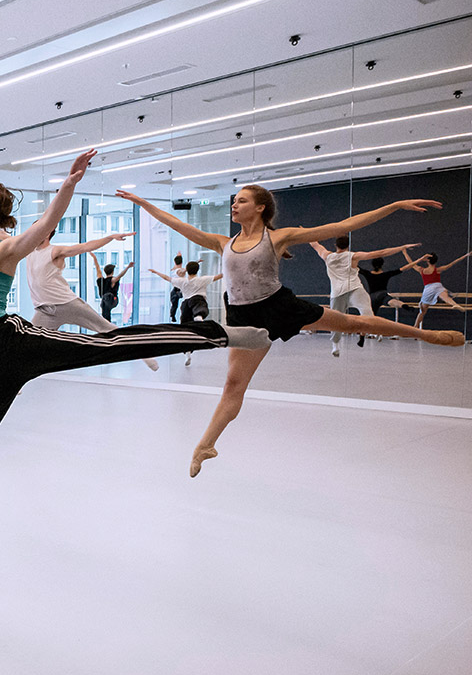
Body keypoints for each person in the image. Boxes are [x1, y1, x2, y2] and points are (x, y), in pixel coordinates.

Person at [0, 152, 271, 538]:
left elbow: (48, 222)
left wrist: (68, 185)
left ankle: (217, 335)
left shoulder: (4, 249)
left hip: (11, 340)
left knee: (109, 343)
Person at [117, 185, 465, 478]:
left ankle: (428, 335)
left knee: (355, 322)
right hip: (243, 318)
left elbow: (341, 224)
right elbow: (175, 224)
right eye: (234, 200)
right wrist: (145, 203)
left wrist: (394, 205)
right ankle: (206, 445)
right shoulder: (221, 242)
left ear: (260, 207)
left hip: (279, 307)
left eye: (241, 200)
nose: (235, 204)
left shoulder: (280, 237)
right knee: (233, 385)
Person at [25, 230, 159, 371]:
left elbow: (85, 247)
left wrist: (110, 237)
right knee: (29, 345)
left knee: (107, 329)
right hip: (44, 311)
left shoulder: (55, 251)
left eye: (39, 228)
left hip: (67, 304)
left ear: (46, 233)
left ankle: (144, 353)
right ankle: (15, 386)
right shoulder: (28, 251)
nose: (32, 233)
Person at [308, 238, 416, 356]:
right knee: (366, 310)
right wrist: (402, 247)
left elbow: (315, 244)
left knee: (336, 321)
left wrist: (306, 232)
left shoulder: (327, 256)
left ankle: (336, 346)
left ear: (335, 245)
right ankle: (376, 330)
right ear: (348, 245)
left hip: (339, 293)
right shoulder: (353, 256)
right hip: (354, 290)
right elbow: (381, 253)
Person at [148, 261, 223, 366]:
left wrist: (156, 272)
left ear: (187, 270)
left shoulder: (181, 281)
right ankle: (198, 317)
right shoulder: (202, 279)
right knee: (200, 306)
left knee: (186, 328)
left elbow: (166, 278)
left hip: (185, 304)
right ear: (198, 270)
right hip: (197, 299)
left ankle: (187, 354)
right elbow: (219, 276)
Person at [359, 252, 427, 337]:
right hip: (382, 294)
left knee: (370, 316)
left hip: (372, 297)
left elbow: (355, 267)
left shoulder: (368, 274)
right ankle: (403, 305)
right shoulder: (386, 274)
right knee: (391, 300)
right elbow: (404, 268)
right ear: (382, 265)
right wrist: (420, 259)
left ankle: (368, 333)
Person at [409, 250, 471, 328]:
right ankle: (455, 304)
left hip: (428, 289)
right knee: (445, 297)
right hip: (438, 286)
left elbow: (411, 264)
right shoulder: (438, 270)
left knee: (422, 312)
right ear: (435, 262)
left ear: (427, 261)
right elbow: (452, 263)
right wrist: (466, 255)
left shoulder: (422, 270)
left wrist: (405, 252)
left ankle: (415, 326)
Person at [90, 253, 133, 322]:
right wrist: (128, 267)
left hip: (112, 299)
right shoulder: (108, 280)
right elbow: (120, 275)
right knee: (105, 300)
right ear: (112, 272)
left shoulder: (109, 280)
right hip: (106, 301)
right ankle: (106, 322)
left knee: (106, 297)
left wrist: (95, 258)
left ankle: (106, 321)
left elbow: (98, 269)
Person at [169, 253, 186, 321]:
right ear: (182, 262)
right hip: (180, 289)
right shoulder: (179, 271)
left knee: (174, 305)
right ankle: (173, 315)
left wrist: (179, 256)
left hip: (175, 289)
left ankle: (172, 315)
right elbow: (182, 272)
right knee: (177, 304)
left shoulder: (173, 269)